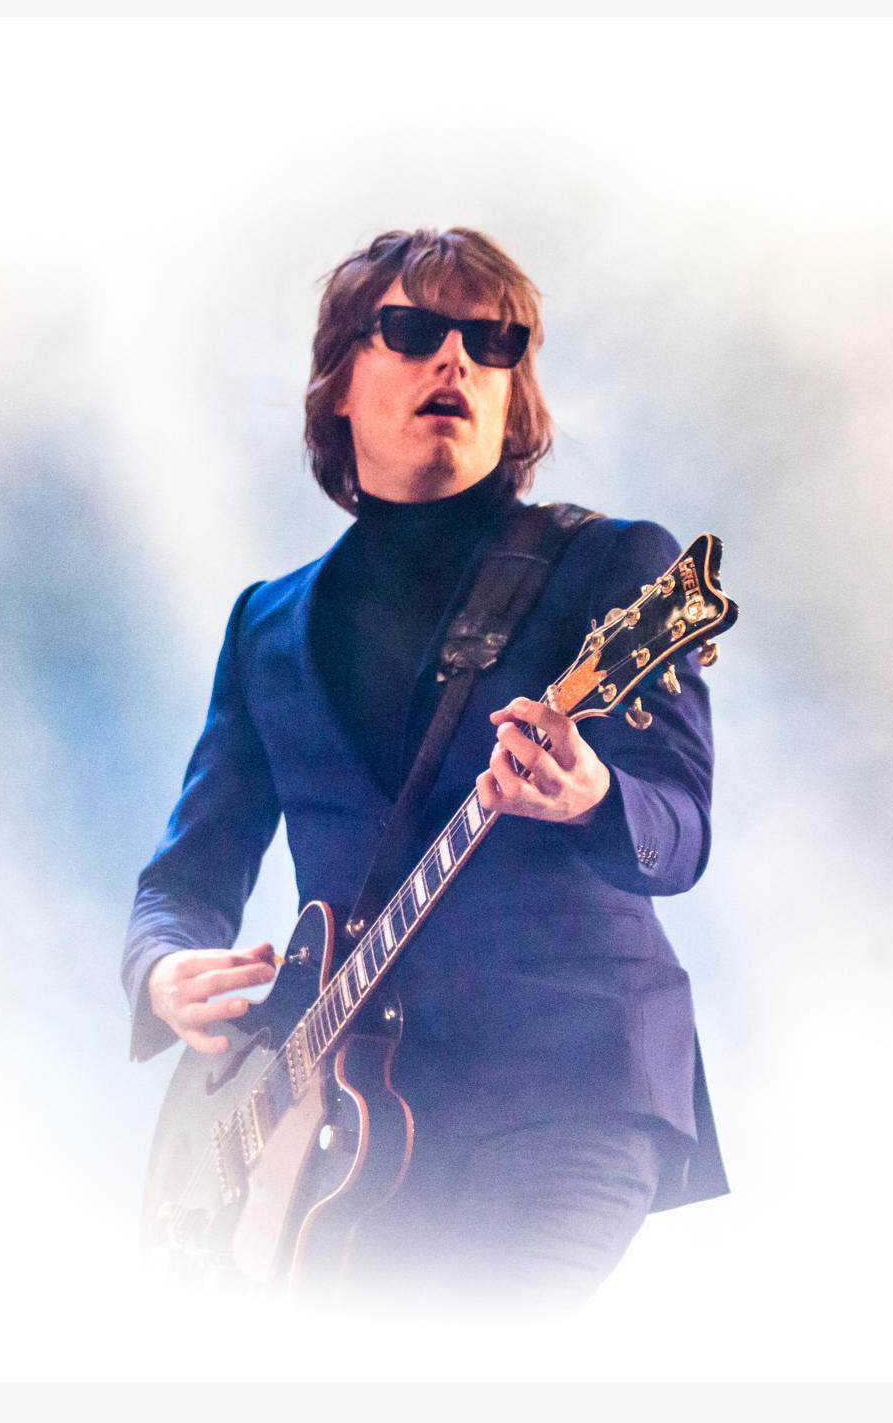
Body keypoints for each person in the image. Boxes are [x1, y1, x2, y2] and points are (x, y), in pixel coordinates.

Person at [121, 227, 725, 1305]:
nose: (457, 358)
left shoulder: (609, 567)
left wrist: (594, 798)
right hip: (339, 1134)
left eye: (494, 342)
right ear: (339, 383)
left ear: (515, 391)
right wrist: (160, 969)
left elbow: (680, 826)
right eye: (414, 330)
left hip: (565, 1095)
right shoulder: (266, 626)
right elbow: (183, 880)